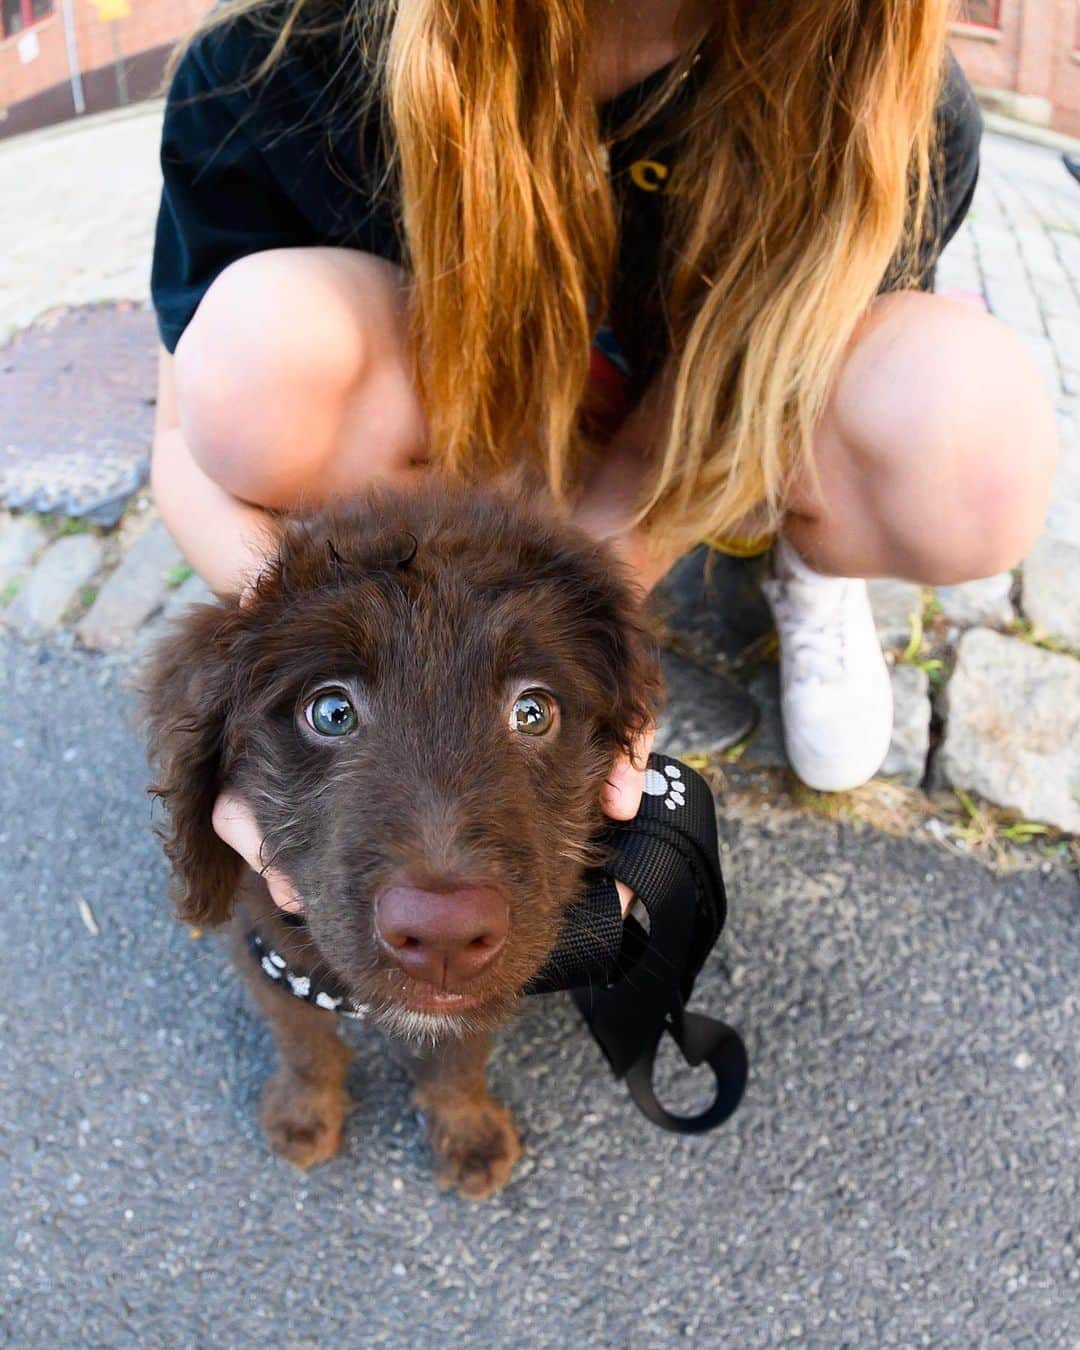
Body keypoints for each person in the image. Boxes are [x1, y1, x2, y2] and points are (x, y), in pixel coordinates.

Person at [150, 0, 1057, 910]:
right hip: (471, 442)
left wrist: (597, 609)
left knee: (967, 447)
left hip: (706, 443)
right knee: (247, 366)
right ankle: (445, 582)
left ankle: (797, 551)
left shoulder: (880, 77)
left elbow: (780, 355)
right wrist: (287, 651)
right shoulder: (281, 58)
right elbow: (182, 440)